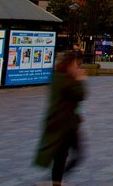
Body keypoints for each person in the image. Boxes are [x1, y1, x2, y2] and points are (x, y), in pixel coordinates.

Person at [35, 51, 87, 186]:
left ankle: (56, 181)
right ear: (70, 64)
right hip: (64, 125)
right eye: (76, 64)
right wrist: (80, 80)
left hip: (59, 123)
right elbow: (80, 95)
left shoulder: (58, 76)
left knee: (61, 156)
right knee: (73, 155)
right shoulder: (66, 80)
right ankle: (55, 181)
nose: (78, 67)